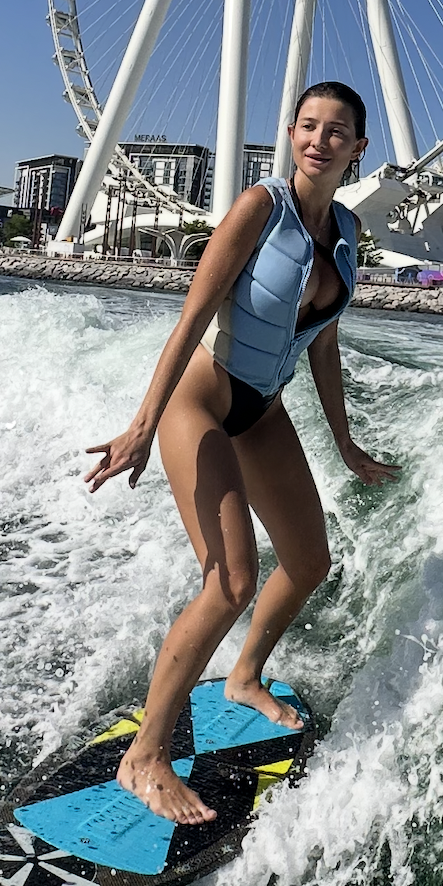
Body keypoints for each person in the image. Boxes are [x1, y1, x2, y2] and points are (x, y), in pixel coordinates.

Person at [82, 81, 400, 823]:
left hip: (264, 409)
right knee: (230, 580)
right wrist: (142, 426)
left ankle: (244, 676)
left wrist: (345, 442)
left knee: (309, 562)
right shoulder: (260, 207)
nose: (319, 140)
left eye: (337, 131)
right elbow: (192, 317)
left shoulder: (348, 231)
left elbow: (323, 343)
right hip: (201, 400)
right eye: (308, 126)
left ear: (358, 149)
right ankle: (145, 757)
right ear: (291, 135)